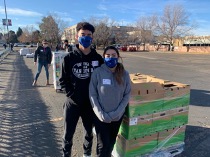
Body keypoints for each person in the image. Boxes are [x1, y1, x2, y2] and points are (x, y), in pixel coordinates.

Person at [59, 22, 104, 157]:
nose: (86, 37)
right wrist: (71, 95)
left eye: (89, 35)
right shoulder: (69, 58)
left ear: (92, 38)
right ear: (77, 37)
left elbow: (103, 78)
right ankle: (66, 154)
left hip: (90, 105)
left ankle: (87, 154)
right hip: (72, 103)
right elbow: (62, 80)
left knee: (89, 133)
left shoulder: (98, 58)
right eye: (82, 35)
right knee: (68, 134)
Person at [89, 46, 131, 157]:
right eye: (108, 56)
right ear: (104, 57)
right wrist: (101, 114)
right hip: (101, 117)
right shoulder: (97, 73)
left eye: (113, 55)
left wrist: (116, 113)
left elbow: (127, 95)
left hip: (117, 117)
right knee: (103, 146)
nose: (111, 58)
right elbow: (92, 94)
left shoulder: (124, 74)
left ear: (118, 57)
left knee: (111, 143)